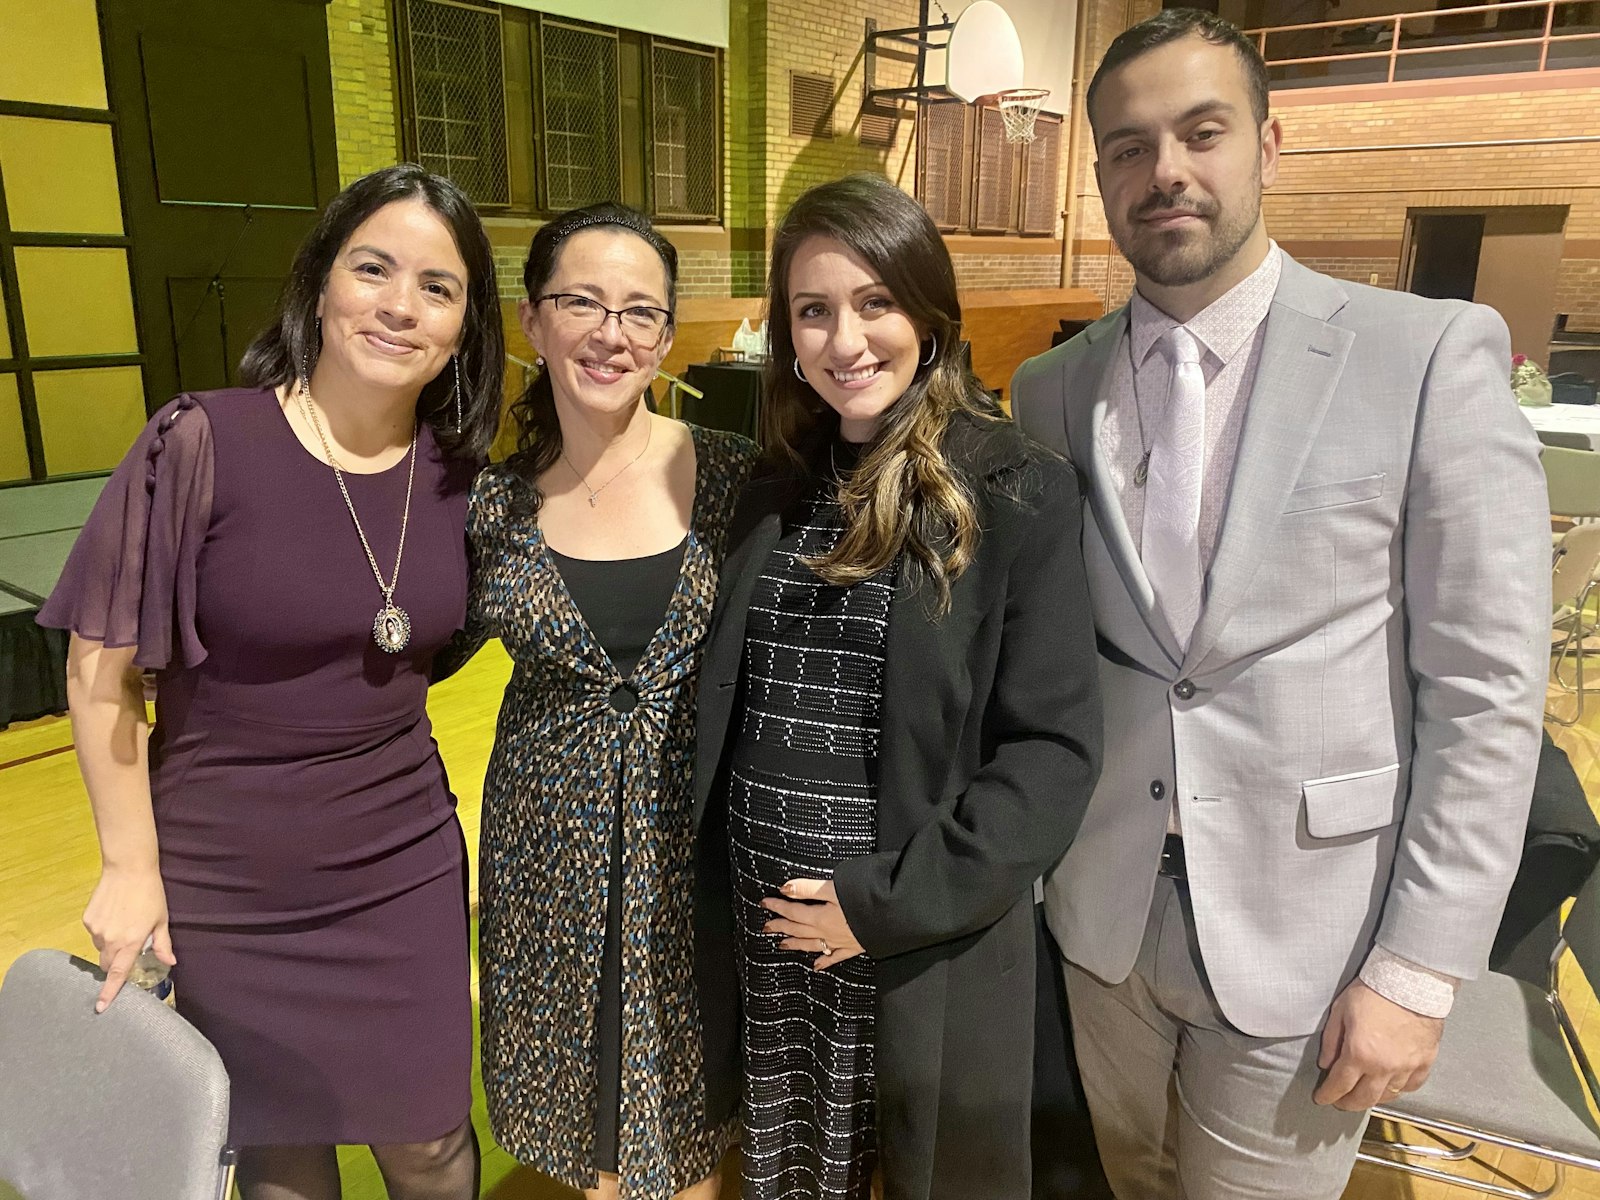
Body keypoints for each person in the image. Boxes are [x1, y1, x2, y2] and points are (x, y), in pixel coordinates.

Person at [1010, 11, 1551, 1198]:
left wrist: (1416, 970)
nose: (1165, 172)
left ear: (1268, 143)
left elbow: (1488, 690)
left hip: (1315, 921)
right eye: (1127, 146)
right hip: (1101, 913)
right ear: (1099, 169)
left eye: (1201, 132)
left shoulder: (1425, 355)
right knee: (1126, 1182)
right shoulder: (1050, 390)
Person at [37, 163, 502, 1200]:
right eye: (372, 268)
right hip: (228, 872)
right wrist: (129, 866)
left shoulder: (461, 479)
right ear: (320, 285)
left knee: (429, 1139)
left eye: (439, 286)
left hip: (401, 862)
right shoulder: (203, 439)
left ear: (467, 324)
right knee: (281, 1155)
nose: (399, 305)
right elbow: (98, 666)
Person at [691, 173, 1105, 1200]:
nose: (846, 340)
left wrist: (877, 907)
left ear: (927, 314)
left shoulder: (1013, 487)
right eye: (814, 310)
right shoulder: (775, 482)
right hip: (767, 938)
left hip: (909, 946)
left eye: (874, 302)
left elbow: (1050, 756)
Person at [436, 202, 757, 1200]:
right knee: (584, 1136)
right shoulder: (491, 504)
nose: (610, 333)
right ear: (532, 321)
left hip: (690, 846)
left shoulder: (733, 479)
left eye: (638, 312)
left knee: (692, 1122)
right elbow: (406, 648)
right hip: (547, 852)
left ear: (667, 335)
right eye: (582, 301)